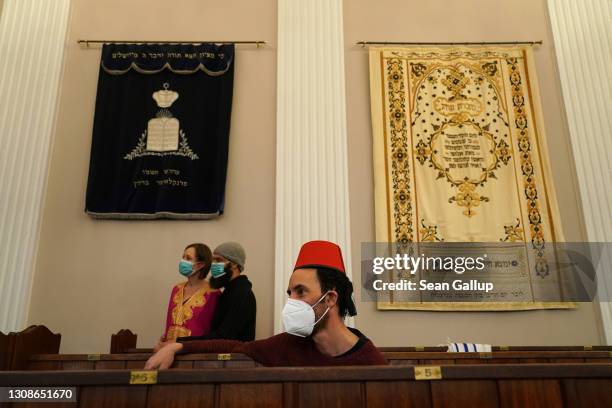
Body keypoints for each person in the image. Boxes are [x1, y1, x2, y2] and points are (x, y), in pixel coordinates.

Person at [146, 240, 387, 368]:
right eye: (289, 292)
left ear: (331, 298)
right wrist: (177, 347)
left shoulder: (370, 361)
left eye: (300, 292)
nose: (291, 302)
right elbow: (234, 345)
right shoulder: (288, 345)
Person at [177, 241, 257, 342]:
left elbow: (223, 337)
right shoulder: (229, 292)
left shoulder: (242, 294)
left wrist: (179, 342)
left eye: (219, 260)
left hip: (236, 357)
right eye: (213, 260)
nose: (214, 265)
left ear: (234, 264)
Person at [154, 243, 220, 352]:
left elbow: (211, 331)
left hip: (194, 353)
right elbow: (169, 323)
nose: (183, 261)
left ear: (200, 265)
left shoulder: (213, 293)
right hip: (167, 350)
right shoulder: (177, 289)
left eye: (188, 258)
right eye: (183, 257)